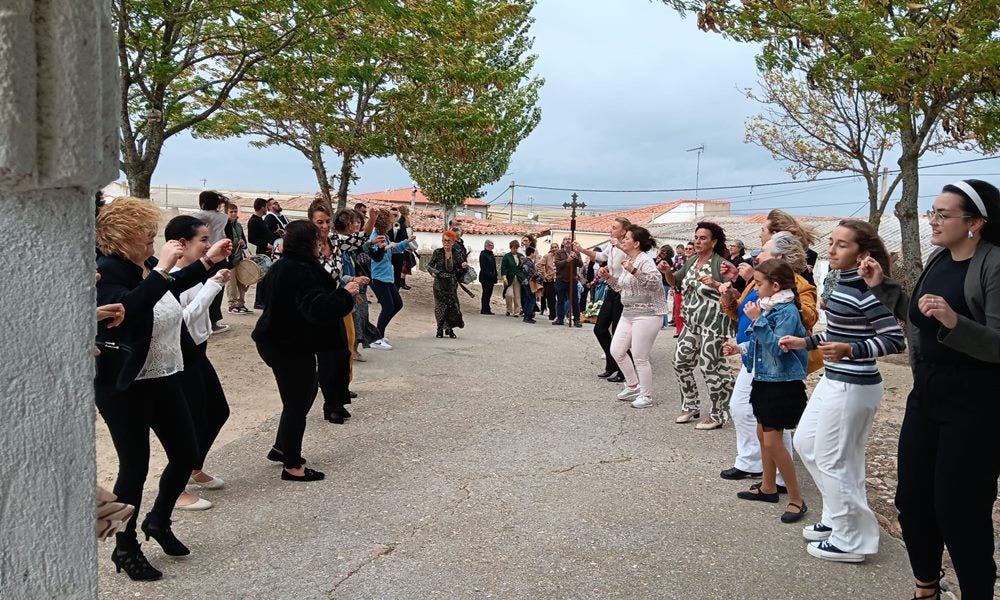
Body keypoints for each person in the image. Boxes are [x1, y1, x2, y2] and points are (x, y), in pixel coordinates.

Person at [863, 180, 1000, 598]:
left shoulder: (994, 265)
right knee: (912, 500)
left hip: (977, 405)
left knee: (960, 509)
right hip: (928, 398)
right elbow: (921, 317)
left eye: (943, 214)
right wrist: (884, 287)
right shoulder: (939, 258)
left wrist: (956, 322)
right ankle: (926, 586)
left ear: (975, 222)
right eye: (932, 212)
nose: (934, 221)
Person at [96, 198, 230, 580]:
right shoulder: (107, 272)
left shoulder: (145, 268)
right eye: (145, 231)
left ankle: (158, 520)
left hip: (164, 375)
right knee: (134, 468)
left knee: (186, 451)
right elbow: (128, 310)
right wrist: (165, 269)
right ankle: (124, 546)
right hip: (124, 385)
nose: (152, 237)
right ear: (121, 235)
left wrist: (207, 262)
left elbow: (172, 285)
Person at [778, 219, 905, 564]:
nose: (831, 250)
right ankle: (838, 516)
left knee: (836, 458)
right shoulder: (841, 281)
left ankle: (853, 539)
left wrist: (851, 350)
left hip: (855, 384)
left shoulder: (867, 288)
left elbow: (894, 339)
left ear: (863, 253)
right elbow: (836, 331)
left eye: (842, 245)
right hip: (835, 380)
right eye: (831, 242)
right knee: (806, 444)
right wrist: (804, 342)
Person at [252, 220, 360, 482]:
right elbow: (318, 308)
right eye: (316, 239)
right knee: (296, 405)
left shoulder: (283, 266)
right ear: (308, 242)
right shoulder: (300, 271)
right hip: (289, 346)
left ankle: (281, 447)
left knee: (304, 393)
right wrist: (346, 294)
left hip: (281, 341)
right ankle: (292, 465)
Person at [718, 231, 820, 483]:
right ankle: (753, 463)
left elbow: (805, 318)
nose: (757, 254)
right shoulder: (757, 280)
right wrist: (732, 296)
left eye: (763, 249)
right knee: (742, 408)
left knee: (773, 419)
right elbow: (740, 311)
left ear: (780, 256)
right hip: (753, 353)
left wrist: (783, 302)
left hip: (775, 361)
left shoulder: (797, 285)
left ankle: (780, 477)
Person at [722, 259, 809, 524]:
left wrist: (757, 320)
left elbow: (778, 349)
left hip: (781, 385)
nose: (755, 288)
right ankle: (768, 486)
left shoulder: (786, 312)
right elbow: (761, 345)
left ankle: (796, 498)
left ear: (775, 285)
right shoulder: (769, 307)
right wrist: (741, 349)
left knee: (773, 440)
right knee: (762, 434)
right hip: (765, 380)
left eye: (759, 284)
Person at [163, 215, 233, 511]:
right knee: (189, 422)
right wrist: (213, 286)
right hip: (180, 355)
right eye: (203, 240)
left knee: (217, 411)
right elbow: (181, 319)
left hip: (197, 351)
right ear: (182, 244)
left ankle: (193, 467)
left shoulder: (194, 272)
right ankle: (175, 489)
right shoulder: (171, 279)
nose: (207, 245)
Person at [658, 223, 735, 429]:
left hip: (714, 324)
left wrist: (717, 285)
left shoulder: (721, 265)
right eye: (696, 237)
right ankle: (690, 405)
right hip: (691, 323)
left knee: (710, 367)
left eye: (703, 238)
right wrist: (667, 272)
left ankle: (718, 413)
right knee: (680, 362)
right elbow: (676, 283)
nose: (698, 241)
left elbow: (734, 296)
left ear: (714, 242)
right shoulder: (692, 261)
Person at [312, 202, 373, 424]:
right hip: (318, 307)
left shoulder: (335, 241)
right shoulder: (308, 246)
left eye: (327, 221)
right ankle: (330, 406)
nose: (325, 226)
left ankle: (338, 400)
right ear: (311, 222)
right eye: (320, 222)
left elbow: (359, 240)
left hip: (338, 302)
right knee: (327, 359)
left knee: (342, 354)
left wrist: (372, 218)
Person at [598, 226, 668, 408]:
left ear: (636, 243)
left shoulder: (645, 260)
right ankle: (632, 385)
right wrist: (608, 278)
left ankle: (646, 396)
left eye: (627, 238)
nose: (623, 241)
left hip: (648, 313)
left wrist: (634, 271)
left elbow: (655, 282)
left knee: (640, 356)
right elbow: (621, 288)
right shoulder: (629, 260)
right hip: (629, 312)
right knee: (617, 350)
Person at [574, 217, 632, 379]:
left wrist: (620, 245)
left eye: (614, 227)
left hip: (624, 292)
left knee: (619, 332)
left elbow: (634, 256)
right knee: (599, 328)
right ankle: (612, 362)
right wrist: (582, 250)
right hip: (611, 289)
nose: (610, 230)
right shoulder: (611, 245)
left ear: (623, 231)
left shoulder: (627, 245)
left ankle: (624, 369)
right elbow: (601, 257)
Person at [367, 209, 412, 349]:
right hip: (378, 277)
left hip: (388, 277)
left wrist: (406, 242)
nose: (391, 224)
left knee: (397, 304)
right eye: (389, 221)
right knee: (388, 306)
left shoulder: (385, 236)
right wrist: (386, 248)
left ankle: (379, 334)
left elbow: (394, 249)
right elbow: (375, 254)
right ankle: (376, 337)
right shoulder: (375, 236)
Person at [192, 191, 231, 333]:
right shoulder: (223, 217)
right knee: (216, 289)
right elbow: (228, 235)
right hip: (220, 257)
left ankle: (199, 321)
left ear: (202, 203)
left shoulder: (198, 216)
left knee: (199, 289)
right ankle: (213, 322)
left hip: (203, 256)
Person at [427, 230, 469, 338]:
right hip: (439, 283)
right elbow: (429, 265)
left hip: (451, 284)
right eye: (444, 240)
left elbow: (462, 267)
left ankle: (449, 329)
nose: (446, 243)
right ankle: (440, 329)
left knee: (452, 306)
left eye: (448, 241)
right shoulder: (437, 252)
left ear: (453, 242)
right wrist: (433, 272)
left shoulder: (457, 253)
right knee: (440, 307)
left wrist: (464, 266)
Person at [224, 202, 251, 314]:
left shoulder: (239, 226)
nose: (234, 214)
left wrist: (243, 244)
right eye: (231, 212)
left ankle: (241, 303)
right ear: (226, 213)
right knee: (231, 282)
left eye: (235, 211)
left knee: (241, 281)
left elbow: (244, 241)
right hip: (230, 258)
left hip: (239, 257)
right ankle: (232, 304)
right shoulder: (224, 226)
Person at [554, 237, 584, 327]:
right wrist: (567, 260)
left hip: (572, 280)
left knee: (575, 301)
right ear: (563, 242)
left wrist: (575, 258)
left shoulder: (576, 252)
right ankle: (560, 319)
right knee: (560, 300)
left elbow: (581, 264)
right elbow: (557, 264)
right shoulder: (559, 253)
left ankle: (577, 320)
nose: (567, 241)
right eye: (565, 239)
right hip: (561, 279)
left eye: (569, 239)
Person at [387, 206, 412, 289]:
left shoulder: (401, 224)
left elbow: (404, 237)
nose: (394, 216)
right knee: (387, 272)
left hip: (399, 252)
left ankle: (396, 290)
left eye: (396, 215)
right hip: (387, 251)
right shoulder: (385, 226)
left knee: (397, 273)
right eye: (392, 215)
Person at [500, 239, 523, 317]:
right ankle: (509, 309)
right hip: (509, 278)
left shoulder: (521, 256)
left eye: (517, 248)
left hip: (518, 278)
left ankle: (517, 312)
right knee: (508, 294)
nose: (515, 249)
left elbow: (523, 267)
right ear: (511, 248)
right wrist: (504, 278)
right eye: (514, 248)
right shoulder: (506, 256)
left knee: (517, 295)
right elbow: (503, 267)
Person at [654, 245, 676, 329]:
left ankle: (664, 322)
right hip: (666, 283)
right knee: (663, 302)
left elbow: (656, 266)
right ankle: (664, 322)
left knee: (661, 302)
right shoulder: (669, 260)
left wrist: (657, 256)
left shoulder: (664, 261)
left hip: (663, 283)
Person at [478, 240, 498, 315]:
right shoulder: (483, 254)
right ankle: (484, 309)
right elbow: (483, 267)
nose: (491, 246)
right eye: (490, 245)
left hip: (491, 278)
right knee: (485, 293)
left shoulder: (491, 254)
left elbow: (494, 266)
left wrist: (495, 274)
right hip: (485, 278)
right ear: (486, 246)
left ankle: (487, 308)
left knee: (489, 294)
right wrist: (490, 275)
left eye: (492, 245)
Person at [520, 246, 539, 323]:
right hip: (529, 283)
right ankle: (528, 316)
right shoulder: (529, 263)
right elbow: (532, 274)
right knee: (532, 299)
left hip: (524, 282)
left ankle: (526, 316)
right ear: (531, 253)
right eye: (534, 253)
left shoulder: (524, 261)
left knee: (528, 299)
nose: (535, 254)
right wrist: (540, 278)